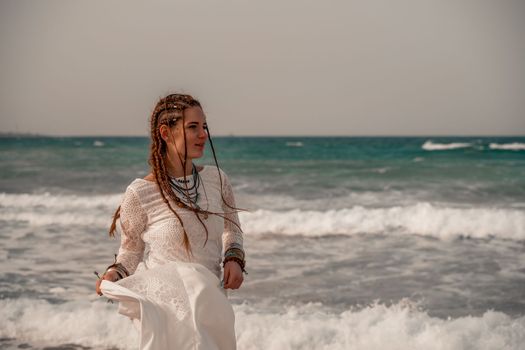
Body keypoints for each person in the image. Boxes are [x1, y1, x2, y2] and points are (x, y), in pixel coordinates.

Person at [95, 93, 245, 349]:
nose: (203, 135)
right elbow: (131, 251)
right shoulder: (140, 193)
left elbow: (232, 229)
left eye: (204, 126)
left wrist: (234, 257)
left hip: (211, 306)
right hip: (167, 311)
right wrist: (114, 273)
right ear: (166, 133)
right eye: (192, 127)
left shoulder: (217, 179)